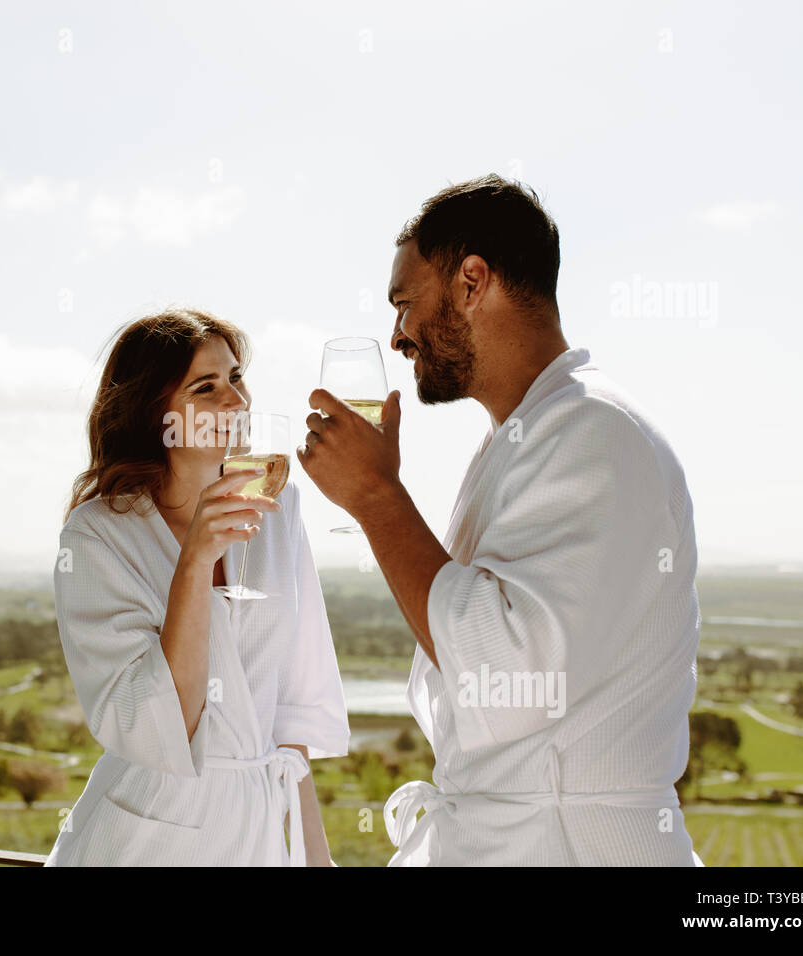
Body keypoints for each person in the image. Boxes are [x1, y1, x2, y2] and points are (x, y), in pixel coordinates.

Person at [297, 175, 703, 866]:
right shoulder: (530, 434)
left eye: (404, 303)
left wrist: (376, 499)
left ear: (471, 282)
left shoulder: (593, 432)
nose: (396, 337)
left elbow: (505, 676)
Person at [45, 308, 349, 866]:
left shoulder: (277, 511)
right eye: (205, 387)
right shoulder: (96, 536)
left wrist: (317, 860)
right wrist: (194, 560)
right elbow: (157, 724)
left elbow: (292, 711)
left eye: (236, 378)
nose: (236, 401)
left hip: (254, 835)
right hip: (141, 836)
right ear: (154, 411)